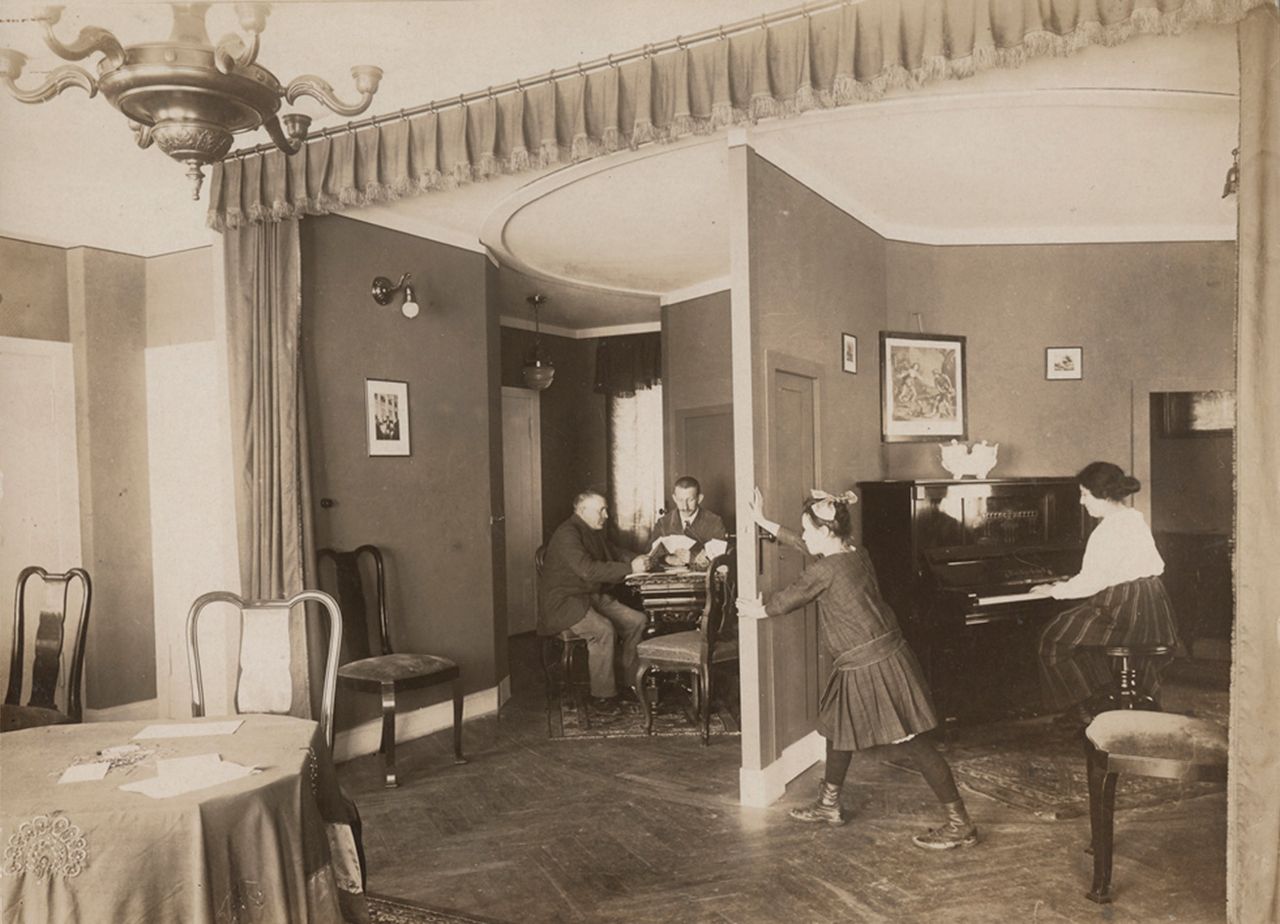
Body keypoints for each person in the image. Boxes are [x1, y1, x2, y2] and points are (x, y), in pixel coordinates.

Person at [738, 487, 979, 850]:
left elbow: (787, 599)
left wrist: (755, 609)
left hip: (874, 664)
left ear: (826, 532)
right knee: (837, 726)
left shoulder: (826, 570)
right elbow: (808, 549)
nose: (803, 535)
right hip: (870, 656)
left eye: (807, 529)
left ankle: (961, 824)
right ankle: (829, 805)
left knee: (916, 743)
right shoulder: (853, 551)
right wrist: (763, 521)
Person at [1030, 461, 1179, 726]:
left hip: (1122, 607)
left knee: (1054, 638)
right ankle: (1106, 701)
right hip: (1152, 604)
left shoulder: (1107, 530)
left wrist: (1055, 590)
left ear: (1105, 495)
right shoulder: (1134, 517)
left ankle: (1086, 707)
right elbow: (1115, 570)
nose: (1081, 502)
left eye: (1085, 494)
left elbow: (1092, 581)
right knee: (1085, 641)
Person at [539, 491, 650, 717]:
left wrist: (644, 558)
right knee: (603, 630)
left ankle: (628, 683)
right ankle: (603, 696)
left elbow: (616, 552)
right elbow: (588, 570)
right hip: (565, 601)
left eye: (606, 509)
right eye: (601, 510)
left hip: (590, 597)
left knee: (638, 621)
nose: (606, 515)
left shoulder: (592, 530)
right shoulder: (567, 534)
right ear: (582, 511)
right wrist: (631, 569)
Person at [649, 476, 728, 569]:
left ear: (699, 498)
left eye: (690, 500)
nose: (684, 507)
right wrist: (667, 558)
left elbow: (722, 561)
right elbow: (650, 555)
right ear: (674, 498)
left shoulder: (714, 522)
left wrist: (694, 558)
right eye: (680, 500)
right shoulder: (663, 523)